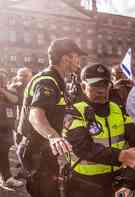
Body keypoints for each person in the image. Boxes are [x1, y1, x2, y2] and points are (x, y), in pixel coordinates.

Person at [16, 38, 86, 197]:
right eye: (77, 56)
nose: (79, 61)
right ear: (66, 58)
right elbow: (35, 115)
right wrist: (54, 137)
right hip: (36, 151)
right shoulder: (48, 80)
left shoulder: (57, 79)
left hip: (44, 150)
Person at [63, 63, 135, 197]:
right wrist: (121, 156)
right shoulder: (74, 111)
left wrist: (129, 183)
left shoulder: (118, 109)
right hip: (84, 186)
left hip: (116, 184)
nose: (101, 90)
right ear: (83, 87)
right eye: (95, 86)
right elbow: (82, 147)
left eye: (105, 85)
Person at [0, 71, 24, 190]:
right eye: (1, 79)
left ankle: (7, 178)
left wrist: (3, 91)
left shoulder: (9, 90)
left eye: (4, 79)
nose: (3, 81)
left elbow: (15, 100)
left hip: (6, 128)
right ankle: (6, 178)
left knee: (4, 153)